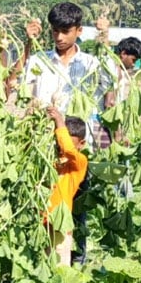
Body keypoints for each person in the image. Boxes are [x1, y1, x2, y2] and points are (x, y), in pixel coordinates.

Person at [21, 2, 112, 264]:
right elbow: (24, 91)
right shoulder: (39, 59)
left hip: (75, 147)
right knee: (40, 205)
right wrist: (29, 43)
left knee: (75, 206)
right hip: (42, 145)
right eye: (55, 31)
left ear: (79, 30)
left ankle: (76, 262)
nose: (59, 37)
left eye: (65, 31)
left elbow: (111, 83)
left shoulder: (92, 62)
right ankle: (40, 259)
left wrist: (104, 39)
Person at [44, 106, 88, 267]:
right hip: (42, 220)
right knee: (41, 263)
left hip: (60, 223)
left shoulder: (79, 161)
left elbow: (68, 149)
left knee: (59, 266)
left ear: (81, 144)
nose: (61, 146)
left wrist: (60, 122)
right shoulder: (51, 157)